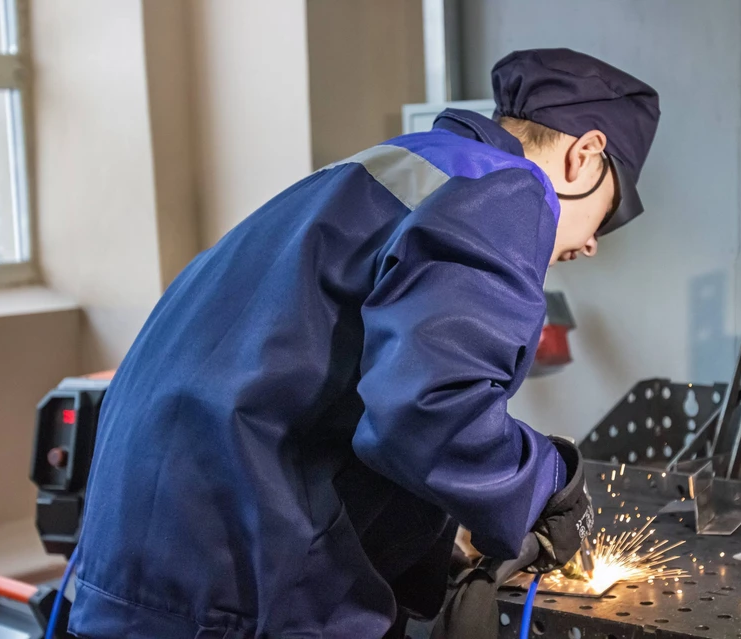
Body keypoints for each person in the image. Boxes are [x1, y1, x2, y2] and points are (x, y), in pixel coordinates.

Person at [68, 48, 659, 639]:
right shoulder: (506, 190)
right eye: (608, 215)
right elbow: (433, 410)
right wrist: (546, 483)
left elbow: (331, 380)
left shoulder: (387, 168)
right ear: (585, 156)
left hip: (140, 566)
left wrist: (425, 538)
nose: (592, 245)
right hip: (244, 583)